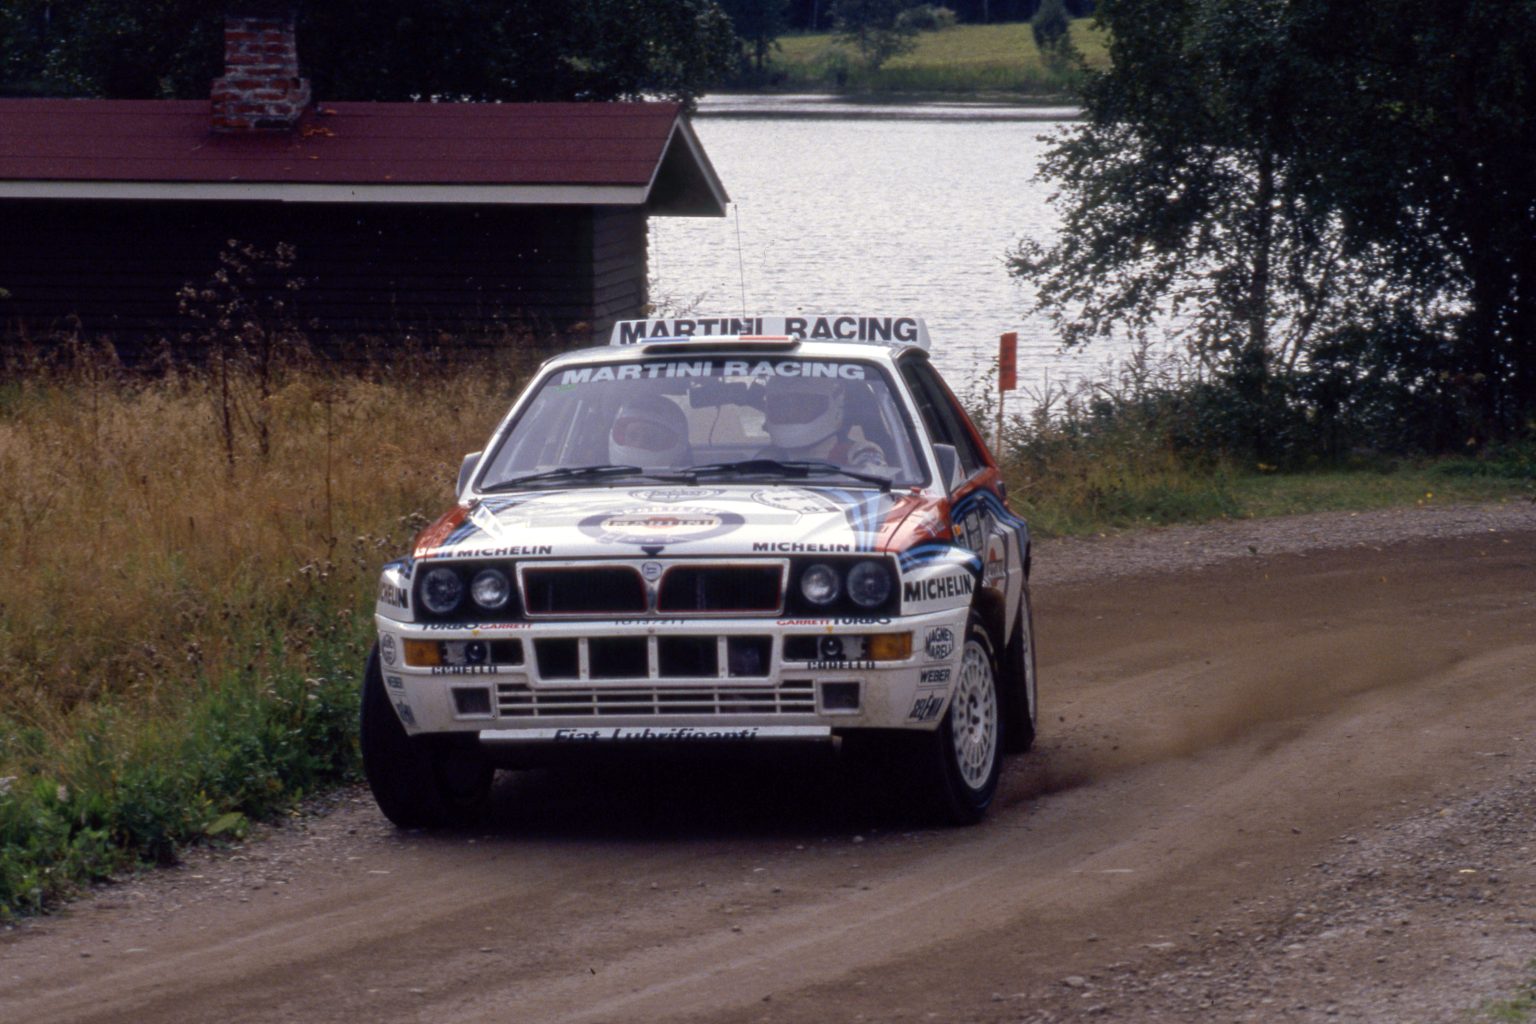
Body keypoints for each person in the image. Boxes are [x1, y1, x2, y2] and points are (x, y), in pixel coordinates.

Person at [759, 376, 886, 469]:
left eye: (803, 405)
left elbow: (875, 483)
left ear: (836, 406)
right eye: (781, 406)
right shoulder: (769, 457)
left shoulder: (861, 452)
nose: (789, 413)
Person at [608, 393, 691, 468]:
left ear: (668, 443)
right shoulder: (602, 478)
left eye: (650, 438)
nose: (638, 444)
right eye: (632, 436)